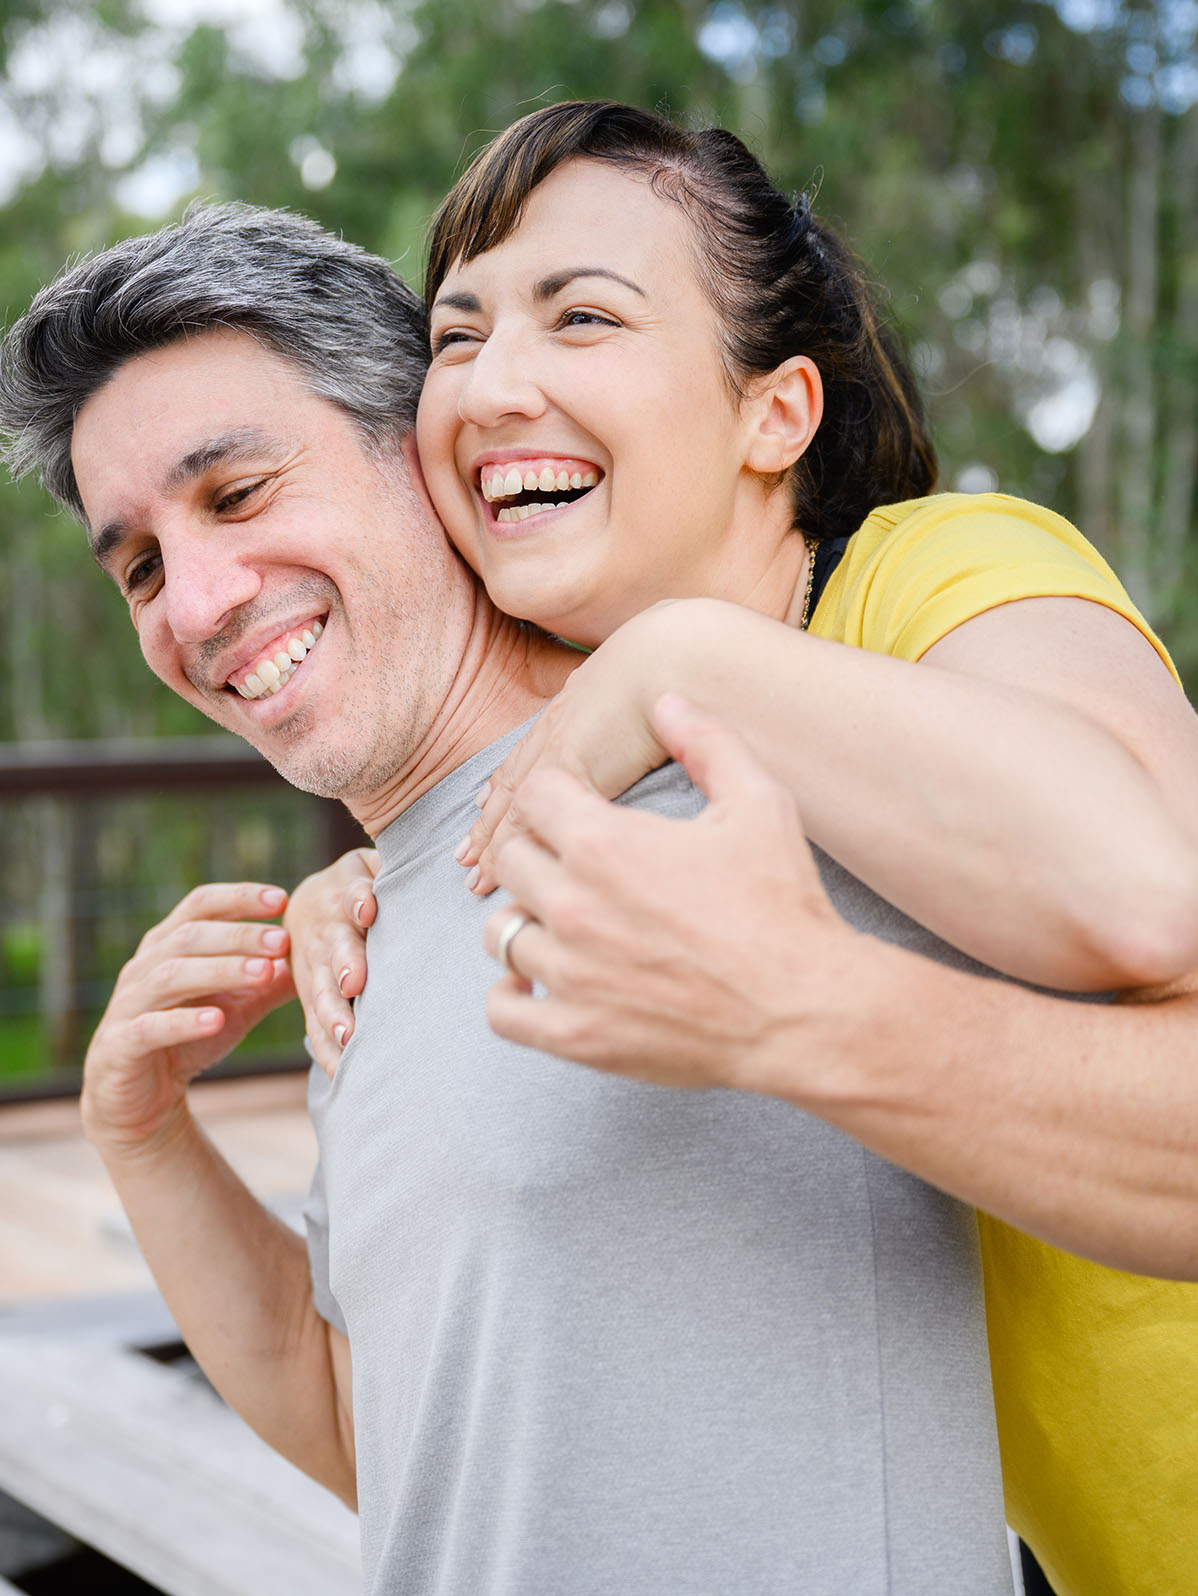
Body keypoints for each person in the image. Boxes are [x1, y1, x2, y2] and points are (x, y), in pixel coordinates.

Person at [0, 203, 1022, 1594]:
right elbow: (400, 1431)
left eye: (237, 495)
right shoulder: (364, 925)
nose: (194, 604)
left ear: (430, 453)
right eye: (140, 567)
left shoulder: (745, 772)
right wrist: (143, 1132)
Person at [284, 102, 1198, 1596]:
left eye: (582, 315)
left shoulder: (943, 570)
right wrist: (370, 886)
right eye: (455, 339)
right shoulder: (623, 732)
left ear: (776, 412)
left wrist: (669, 653)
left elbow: (1151, 886)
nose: (492, 383)